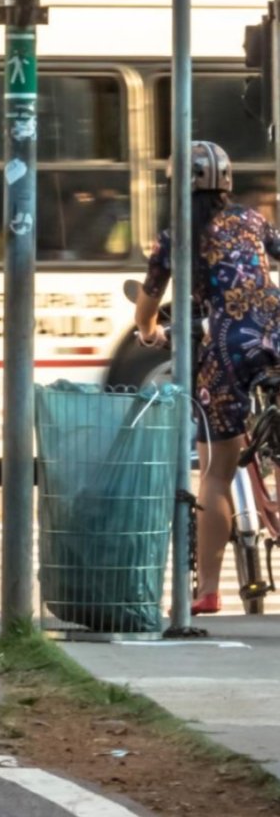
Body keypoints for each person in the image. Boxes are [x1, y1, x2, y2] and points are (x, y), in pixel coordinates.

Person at [135, 140, 280, 615]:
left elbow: (150, 297)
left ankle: (208, 591)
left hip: (223, 347)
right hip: (275, 333)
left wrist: (148, 330)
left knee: (216, 473)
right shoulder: (251, 221)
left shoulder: (174, 236)